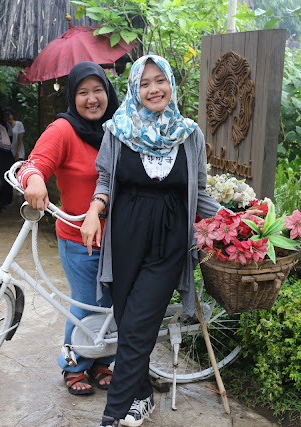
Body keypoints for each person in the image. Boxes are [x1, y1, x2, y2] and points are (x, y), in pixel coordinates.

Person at [80, 55, 221, 427]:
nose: (153, 89)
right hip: (124, 240)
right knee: (129, 326)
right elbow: (106, 180)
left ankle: (110, 417)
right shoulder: (117, 130)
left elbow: (200, 193)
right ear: (133, 89)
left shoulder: (189, 134)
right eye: (144, 83)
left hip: (169, 243)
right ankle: (141, 396)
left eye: (160, 80)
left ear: (171, 84)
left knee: (139, 325)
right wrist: (95, 211)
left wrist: (235, 221)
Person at [17, 62, 119, 396]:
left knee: (113, 307)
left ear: (109, 92)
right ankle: (72, 365)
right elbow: (33, 164)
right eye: (83, 92)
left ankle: (103, 363)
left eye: (98, 90)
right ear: (73, 97)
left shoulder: (120, 128)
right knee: (85, 307)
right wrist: (34, 181)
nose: (92, 99)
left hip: (121, 238)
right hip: (79, 238)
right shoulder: (63, 130)